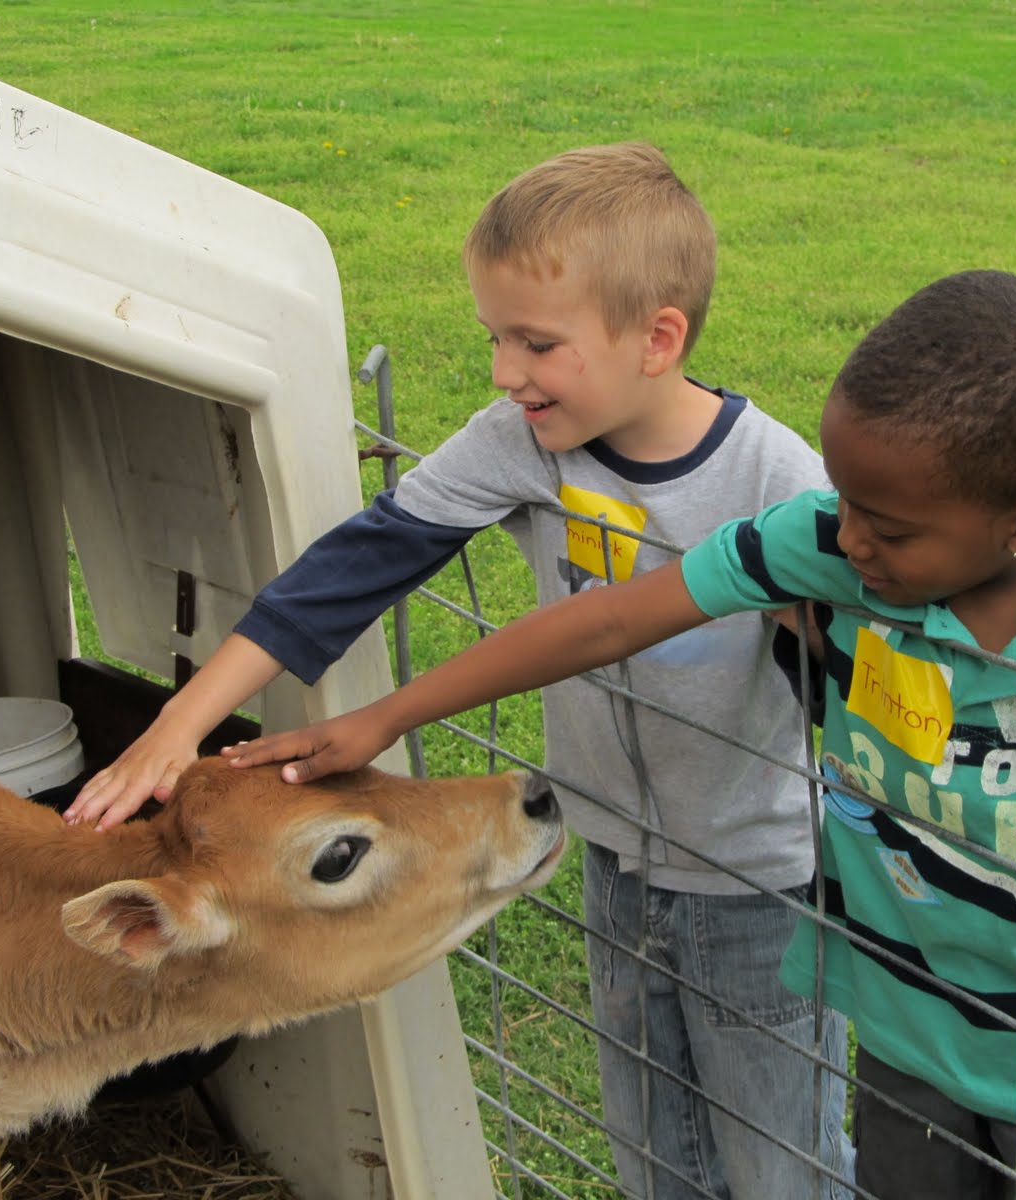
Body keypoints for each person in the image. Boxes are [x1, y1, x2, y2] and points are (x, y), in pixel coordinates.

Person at [232, 269, 1016, 1200]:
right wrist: (383, 715)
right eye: (841, 501)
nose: (846, 537)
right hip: (901, 1029)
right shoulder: (826, 546)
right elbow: (607, 616)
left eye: (883, 527)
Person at [66, 142, 854, 1200]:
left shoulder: (775, 479)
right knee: (655, 1149)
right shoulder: (526, 439)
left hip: (760, 878)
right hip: (613, 856)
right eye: (495, 338)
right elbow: (355, 568)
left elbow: (856, 679)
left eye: (535, 343)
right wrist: (179, 726)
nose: (502, 373)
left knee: (782, 1167)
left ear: (657, 338)